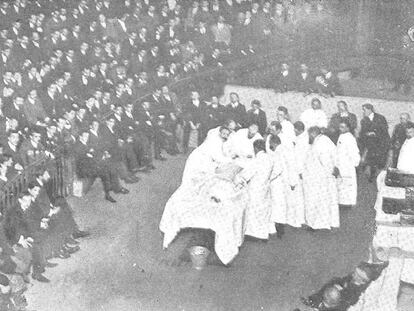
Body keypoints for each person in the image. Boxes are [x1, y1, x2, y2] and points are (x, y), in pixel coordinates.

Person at [236, 139, 274, 240]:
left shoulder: (258, 160)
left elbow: (247, 174)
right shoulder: (269, 158)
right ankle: (263, 233)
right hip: (265, 187)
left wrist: (238, 179)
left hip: (255, 188)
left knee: (253, 211)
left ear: (256, 148)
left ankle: (254, 234)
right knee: (263, 211)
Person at [303, 126, 339, 230]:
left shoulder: (320, 143)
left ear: (313, 134)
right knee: (324, 201)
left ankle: (316, 224)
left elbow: (326, 160)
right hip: (322, 176)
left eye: (309, 135)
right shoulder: (324, 139)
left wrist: (330, 171)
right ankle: (320, 223)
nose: (308, 138)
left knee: (316, 201)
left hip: (320, 178)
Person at [359, 104, 390, 182]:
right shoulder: (364, 120)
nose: (363, 112)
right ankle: (370, 178)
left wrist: (375, 134)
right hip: (370, 145)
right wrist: (366, 134)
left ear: (370, 110)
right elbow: (362, 133)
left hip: (380, 144)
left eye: (364, 110)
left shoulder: (380, 118)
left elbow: (384, 131)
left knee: (379, 163)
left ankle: (377, 178)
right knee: (369, 162)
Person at [335, 119, 360, 207]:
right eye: (339, 127)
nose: (340, 129)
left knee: (348, 187)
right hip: (341, 166)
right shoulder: (341, 136)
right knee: (341, 187)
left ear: (348, 128)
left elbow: (354, 153)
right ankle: (342, 203)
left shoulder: (350, 138)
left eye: (342, 127)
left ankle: (348, 205)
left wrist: (353, 165)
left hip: (347, 167)